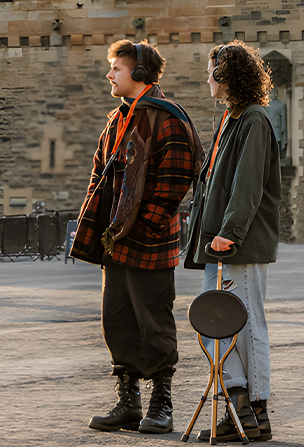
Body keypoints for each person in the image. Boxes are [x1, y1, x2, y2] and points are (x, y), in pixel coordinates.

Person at [72, 40, 203, 435]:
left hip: (149, 240)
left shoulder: (168, 118)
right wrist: (101, 229)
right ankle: (128, 402)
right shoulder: (117, 119)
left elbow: (174, 181)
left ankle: (161, 402)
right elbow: (100, 174)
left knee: (154, 321)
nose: (109, 74)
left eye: (116, 68)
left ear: (140, 74)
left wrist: (142, 226)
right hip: (117, 239)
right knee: (117, 320)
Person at [184, 41, 281, 443]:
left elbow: (247, 185)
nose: (207, 79)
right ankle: (243, 405)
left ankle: (251, 406)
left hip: (235, 243)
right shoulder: (233, 118)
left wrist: (230, 232)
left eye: (212, 72)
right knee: (215, 323)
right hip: (218, 242)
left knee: (244, 324)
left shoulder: (254, 120)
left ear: (226, 76)